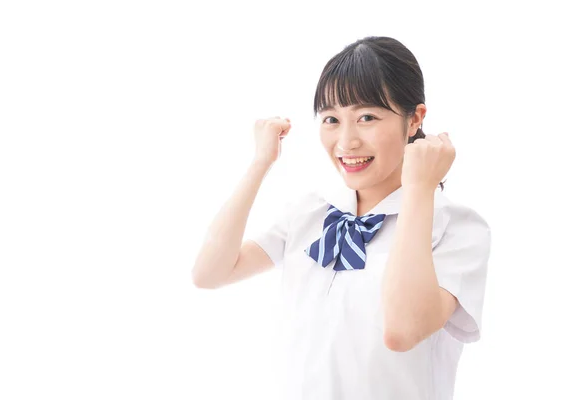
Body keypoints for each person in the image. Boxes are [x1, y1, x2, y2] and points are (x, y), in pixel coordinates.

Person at [192, 36, 491, 400]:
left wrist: (419, 189)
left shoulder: (456, 228)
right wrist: (260, 163)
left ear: (414, 119)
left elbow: (402, 331)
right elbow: (209, 273)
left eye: (367, 117)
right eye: (332, 119)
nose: (346, 142)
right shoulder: (312, 211)